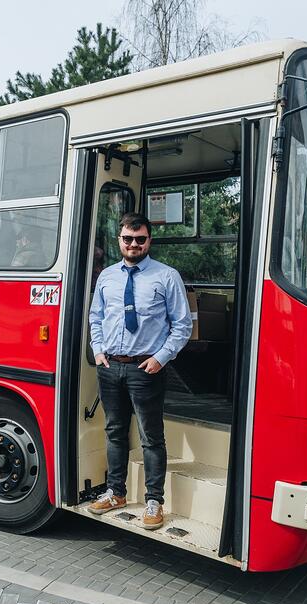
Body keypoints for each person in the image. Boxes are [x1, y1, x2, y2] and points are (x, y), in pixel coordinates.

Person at [87, 212, 191, 530]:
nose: (134, 244)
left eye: (140, 239)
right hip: (110, 367)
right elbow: (96, 316)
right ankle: (116, 493)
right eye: (128, 239)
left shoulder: (166, 276)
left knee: (150, 437)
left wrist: (161, 358)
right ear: (120, 240)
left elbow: (183, 325)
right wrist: (98, 349)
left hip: (146, 369)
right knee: (115, 432)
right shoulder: (107, 276)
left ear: (149, 241)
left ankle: (153, 501)